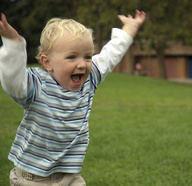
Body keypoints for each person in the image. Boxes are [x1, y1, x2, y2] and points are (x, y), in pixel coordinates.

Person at [0, 10, 146, 186]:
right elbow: (12, 81)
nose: (82, 64)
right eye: (72, 57)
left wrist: (129, 28)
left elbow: (111, 54)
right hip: (33, 179)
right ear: (47, 62)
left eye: (87, 56)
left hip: (71, 177)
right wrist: (13, 44)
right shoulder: (37, 86)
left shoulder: (89, 80)